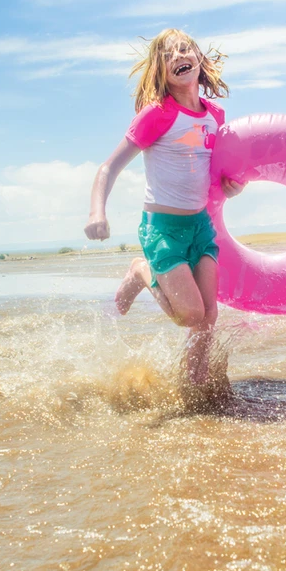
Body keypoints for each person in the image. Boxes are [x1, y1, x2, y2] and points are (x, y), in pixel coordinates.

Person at [85, 29, 244, 384]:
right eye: (168, 55)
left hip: (201, 227)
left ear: (199, 58)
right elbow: (109, 166)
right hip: (163, 229)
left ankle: (194, 384)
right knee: (190, 314)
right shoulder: (156, 115)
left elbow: (211, 172)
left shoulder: (215, 115)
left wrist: (228, 187)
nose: (178, 57)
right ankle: (141, 271)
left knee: (208, 316)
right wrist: (98, 211)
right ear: (160, 69)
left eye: (185, 50)